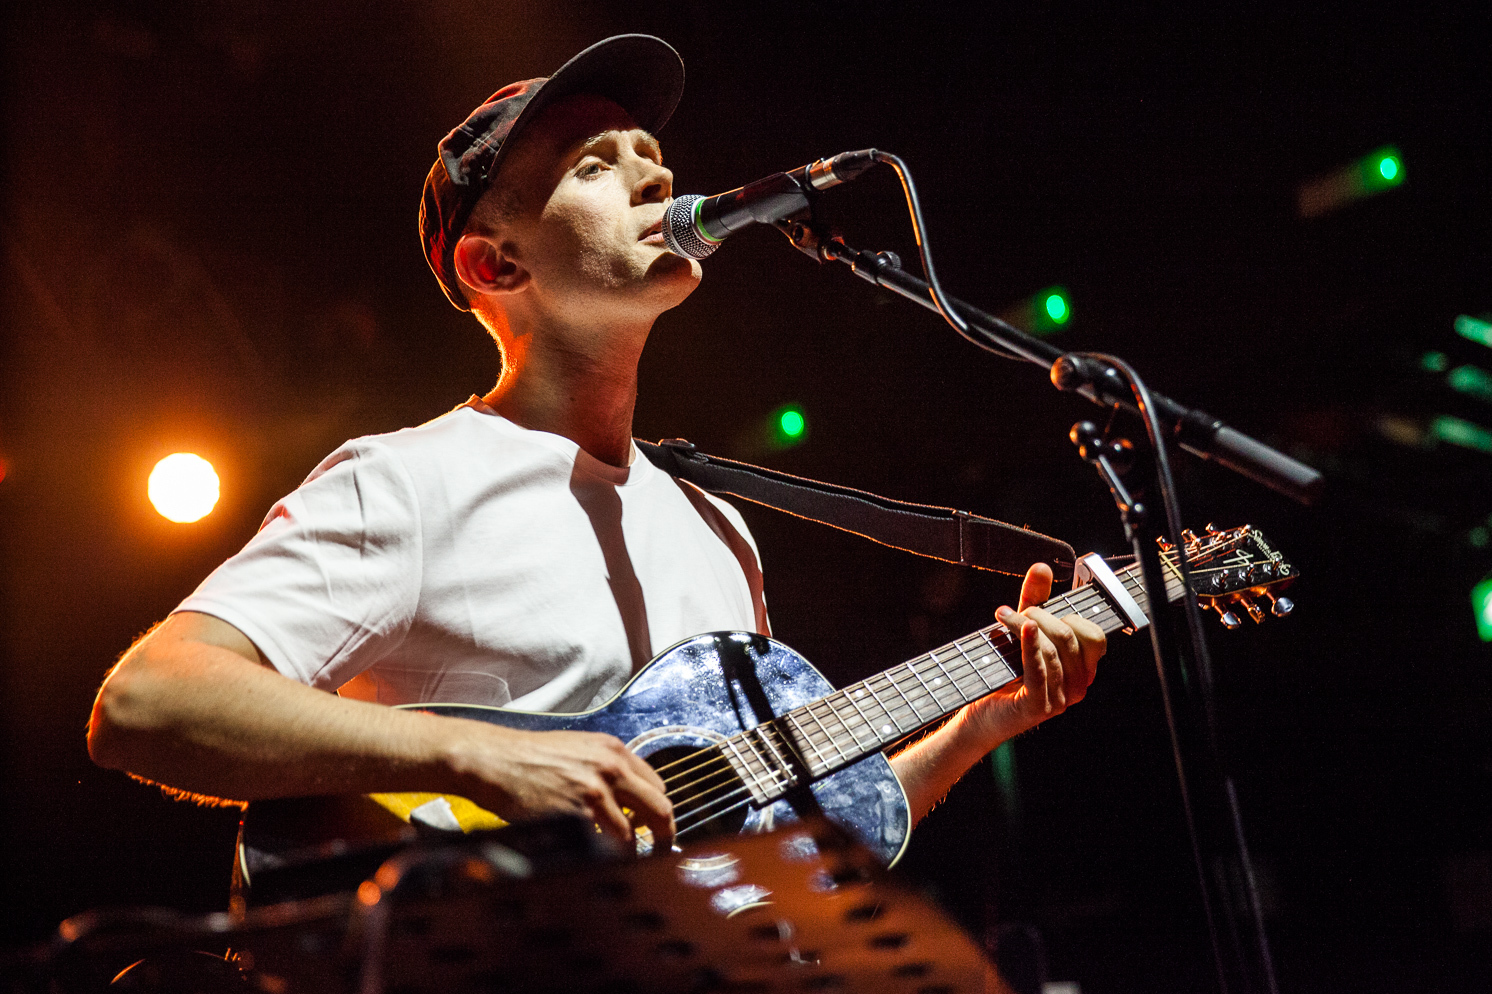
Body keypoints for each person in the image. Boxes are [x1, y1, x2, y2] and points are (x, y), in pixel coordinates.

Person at [86, 35, 1105, 851]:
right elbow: (149, 699)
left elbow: (774, 841)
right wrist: (478, 758)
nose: (654, 175)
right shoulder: (407, 483)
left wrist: (986, 722)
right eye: (595, 166)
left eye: (653, 159)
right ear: (493, 263)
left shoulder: (718, 529)